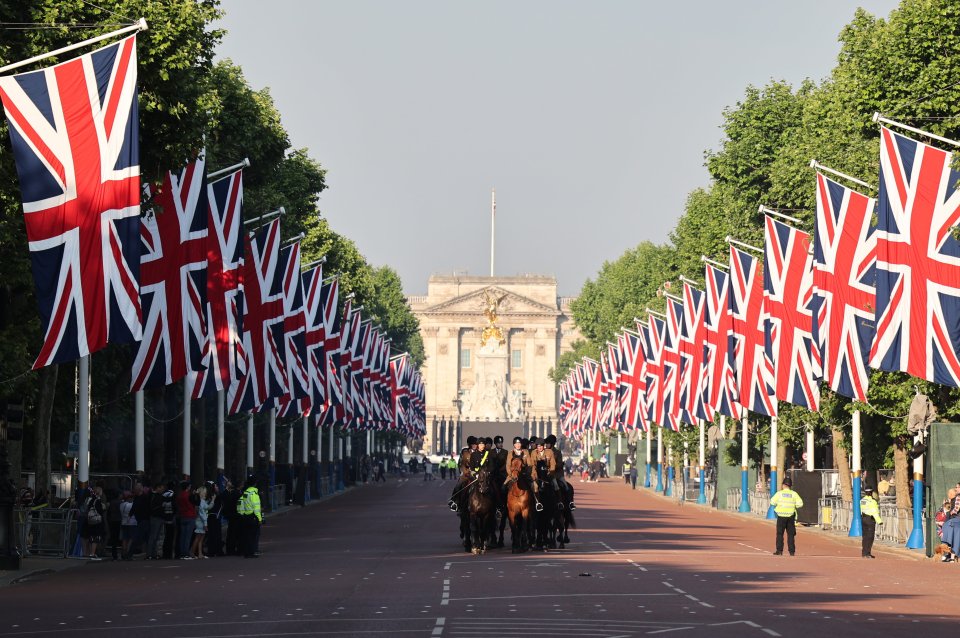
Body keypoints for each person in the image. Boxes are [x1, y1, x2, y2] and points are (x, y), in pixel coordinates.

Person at [770, 477, 803, 556]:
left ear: (783, 485)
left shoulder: (779, 493)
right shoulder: (794, 494)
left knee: (780, 534)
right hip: (790, 516)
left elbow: (772, 502)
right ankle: (792, 551)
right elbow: (800, 504)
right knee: (791, 534)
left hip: (781, 516)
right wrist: (794, 505)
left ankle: (779, 551)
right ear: (790, 485)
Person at [448, 436, 478, 512]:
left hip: (477, 475)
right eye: (473, 444)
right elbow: (460, 464)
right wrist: (465, 472)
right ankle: (454, 501)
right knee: (459, 484)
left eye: (475, 444)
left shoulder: (479, 452)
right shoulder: (464, 452)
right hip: (466, 474)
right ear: (469, 444)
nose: (475, 446)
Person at [237, 475, 262, 558]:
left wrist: (242, 513)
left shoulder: (245, 493)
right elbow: (256, 507)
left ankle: (247, 552)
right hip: (253, 516)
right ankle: (252, 552)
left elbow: (241, 504)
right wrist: (259, 518)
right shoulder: (254, 493)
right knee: (253, 535)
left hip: (246, 516)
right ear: (255, 484)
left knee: (247, 535)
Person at [860, 486, 882, 558]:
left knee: (865, 536)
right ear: (871, 492)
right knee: (870, 537)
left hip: (863, 519)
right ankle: (867, 553)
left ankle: (864, 553)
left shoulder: (862, 500)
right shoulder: (873, 501)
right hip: (870, 520)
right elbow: (874, 512)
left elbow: (861, 509)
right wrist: (879, 521)